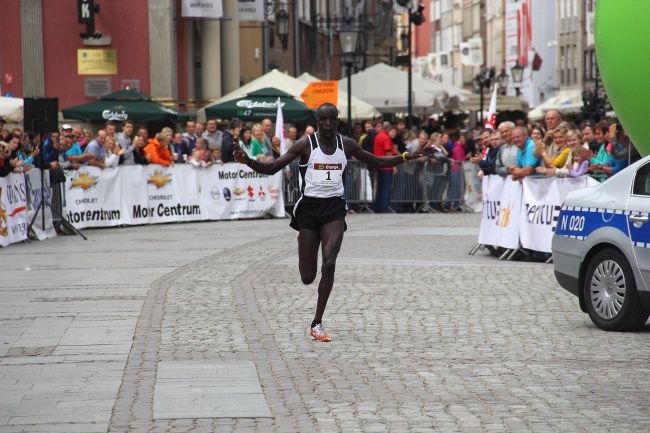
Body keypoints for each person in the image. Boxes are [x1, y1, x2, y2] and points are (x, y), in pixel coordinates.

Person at [232, 103, 430, 342]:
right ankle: (305, 238)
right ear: (318, 122)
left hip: (334, 209)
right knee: (307, 276)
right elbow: (273, 167)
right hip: (309, 209)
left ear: (337, 121)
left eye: (331, 119)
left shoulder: (346, 145)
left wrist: (408, 156)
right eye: (323, 119)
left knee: (330, 262)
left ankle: (317, 322)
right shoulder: (305, 144)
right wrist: (249, 161)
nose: (327, 123)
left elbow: (377, 162)